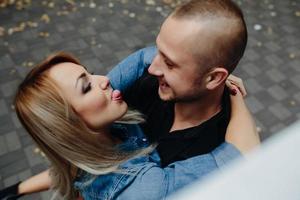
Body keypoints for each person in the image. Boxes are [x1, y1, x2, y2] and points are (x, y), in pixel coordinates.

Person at [0, 49, 259, 200]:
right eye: (86, 85)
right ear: (69, 126)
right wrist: (231, 91)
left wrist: (15, 190)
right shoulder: (139, 188)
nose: (104, 79)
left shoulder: (80, 143)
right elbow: (243, 151)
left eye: (88, 71)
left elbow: (146, 57)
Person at [108, 0, 252, 167]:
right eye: (158, 51)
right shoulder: (147, 85)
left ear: (213, 78)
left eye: (169, 63)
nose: (152, 68)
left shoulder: (219, 147)